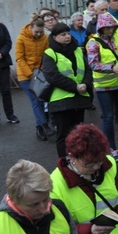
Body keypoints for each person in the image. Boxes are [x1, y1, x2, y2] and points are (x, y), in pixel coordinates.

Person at [43, 22, 93, 158]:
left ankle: (79, 161)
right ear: (54, 37)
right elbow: (52, 76)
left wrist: (85, 84)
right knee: (64, 135)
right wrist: (75, 87)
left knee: (79, 134)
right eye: (62, 34)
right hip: (61, 101)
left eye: (68, 33)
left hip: (79, 98)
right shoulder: (50, 53)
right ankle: (64, 164)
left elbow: (87, 70)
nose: (67, 36)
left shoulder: (77, 50)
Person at [86, 13, 118, 162]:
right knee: (108, 117)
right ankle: (111, 148)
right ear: (101, 28)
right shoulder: (93, 42)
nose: (110, 30)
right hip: (103, 86)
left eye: (112, 27)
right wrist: (111, 68)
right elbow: (93, 63)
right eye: (107, 28)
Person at [15, 15, 55, 141]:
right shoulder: (21, 38)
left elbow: (47, 55)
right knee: (35, 100)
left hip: (40, 74)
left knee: (41, 100)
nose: (38, 34)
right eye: (36, 32)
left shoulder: (45, 38)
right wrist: (31, 74)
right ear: (31, 28)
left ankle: (39, 128)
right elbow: (19, 59)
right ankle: (44, 125)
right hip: (25, 76)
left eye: (41, 32)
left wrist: (43, 70)